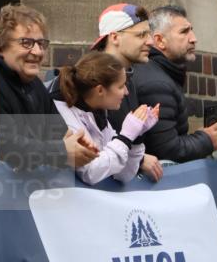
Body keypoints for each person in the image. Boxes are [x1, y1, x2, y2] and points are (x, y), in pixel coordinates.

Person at [0, 4, 97, 170]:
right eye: (26, 43)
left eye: (41, 43)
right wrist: (62, 151)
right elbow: (4, 143)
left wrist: (78, 142)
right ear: (0, 46)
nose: (37, 52)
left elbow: (58, 131)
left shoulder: (34, 84)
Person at [52, 52, 158, 185]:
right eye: (120, 86)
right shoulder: (64, 115)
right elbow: (91, 172)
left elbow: (122, 175)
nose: (126, 92)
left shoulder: (97, 111)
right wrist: (125, 137)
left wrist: (136, 138)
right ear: (100, 90)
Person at [135, 6, 217, 163]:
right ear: (159, 40)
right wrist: (206, 140)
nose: (194, 38)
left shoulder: (161, 74)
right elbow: (166, 150)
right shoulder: (157, 84)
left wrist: (200, 138)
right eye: (184, 32)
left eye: (191, 30)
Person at [90, 3, 163, 182]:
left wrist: (137, 153)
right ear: (114, 37)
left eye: (149, 34)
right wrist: (139, 161)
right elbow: (91, 150)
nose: (151, 42)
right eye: (141, 35)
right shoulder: (91, 81)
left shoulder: (129, 77)